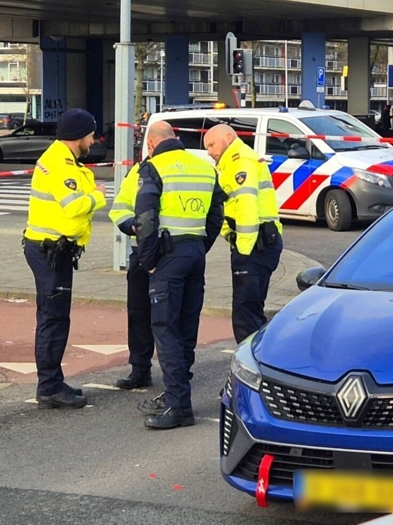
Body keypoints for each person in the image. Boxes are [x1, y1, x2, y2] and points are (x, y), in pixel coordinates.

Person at [134, 121, 224, 430]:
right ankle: (179, 393)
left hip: (168, 257)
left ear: (152, 144)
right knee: (186, 327)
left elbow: (145, 219)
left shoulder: (153, 167)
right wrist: (200, 245)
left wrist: (148, 261)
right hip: (195, 252)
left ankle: (178, 405)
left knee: (165, 328)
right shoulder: (203, 167)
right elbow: (216, 215)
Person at [23, 109, 107, 410]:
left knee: (54, 318)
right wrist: (99, 195)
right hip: (50, 251)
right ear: (79, 136)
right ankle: (49, 388)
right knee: (53, 319)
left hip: (49, 248)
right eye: (91, 134)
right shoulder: (61, 164)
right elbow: (73, 206)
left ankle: (53, 380)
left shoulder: (60, 158)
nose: (93, 139)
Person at [203, 124, 284, 344]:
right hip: (260, 242)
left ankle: (250, 365)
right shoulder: (231, 162)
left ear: (229, 137)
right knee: (252, 309)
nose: (209, 151)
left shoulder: (240, 161)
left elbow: (246, 204)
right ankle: (263, 358)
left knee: (245, 313)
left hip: (255, 245)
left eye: (211, 144)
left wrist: (243, 248)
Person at [108, 154, 154, 391]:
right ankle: (140, 369)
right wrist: (131, 225)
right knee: (138, 312)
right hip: (143, 249)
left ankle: (179, 373)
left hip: (174, 254)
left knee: (172, 317)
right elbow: (121, 207)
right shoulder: (138, 170)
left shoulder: (191, 167)